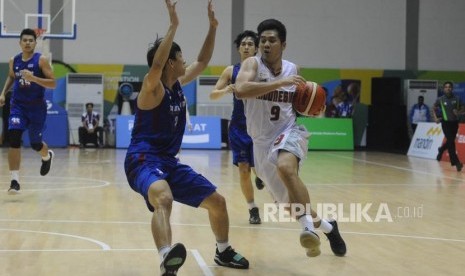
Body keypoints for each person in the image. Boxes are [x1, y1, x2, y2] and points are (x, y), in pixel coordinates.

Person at [123, 1, 248, 275]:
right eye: (181, 58)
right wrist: (174, 25)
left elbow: (202, 61)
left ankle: (223, 250)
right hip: (142, 159)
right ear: (170, 62)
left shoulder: (178, 83)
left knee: (218, 202)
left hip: (168, 161)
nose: (185, 61)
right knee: (163, 198)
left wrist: (213, 28)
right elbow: (157, 63)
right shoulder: (152, 88)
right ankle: (166, 257)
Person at [235, 18, 347, 258]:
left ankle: (308, 230)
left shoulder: (293, 69)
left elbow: (304, 102)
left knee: (286, 168)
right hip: (261, 144)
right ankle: (328, 227)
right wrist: (279, 83)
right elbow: (241, 90)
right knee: (292, 207)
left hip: (288, 131)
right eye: (262, 40)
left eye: (271, 40)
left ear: (283, 45)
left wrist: (313, 105)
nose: (265, 44)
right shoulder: (251, 65)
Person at [210, 30, 263, 224]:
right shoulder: (230, 71)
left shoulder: (262, 70)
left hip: (260, 126)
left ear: (256, 48)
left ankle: (261, 176)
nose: (247, 46)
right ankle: (252, 208)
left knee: (260, 167)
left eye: (251, 43)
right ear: (239, 48)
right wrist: (226, 89)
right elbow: (213, 94)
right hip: (239, 127)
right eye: (244, 44)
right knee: (243, 169)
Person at [0, 28, 55, 194]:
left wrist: (34, 78)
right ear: (20, 42)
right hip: (18, 106)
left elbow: (53, 83)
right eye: (24, 40)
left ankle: (47, 156)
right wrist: (3, 93)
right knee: (14, 138)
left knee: (35, 144)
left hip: (36, 107)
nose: (27, 43)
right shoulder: (14, 60)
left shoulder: (41, 61)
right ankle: (14, 181)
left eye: (31, 40)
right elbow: (11, 76)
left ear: (35, 43)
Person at [433, 81, 464, 171]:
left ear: (452, 88)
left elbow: (463, 108)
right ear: (444, 89)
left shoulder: (457, 98)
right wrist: (435, 118)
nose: (448, 88)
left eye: (449, 87)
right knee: (451, 141)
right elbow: (434, 108)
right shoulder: (441, 99)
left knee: (450, 142)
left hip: (454, 123)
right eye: (446, 87)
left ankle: (441, 149)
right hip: (445, 123)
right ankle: (457, 163)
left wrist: (458, 112)